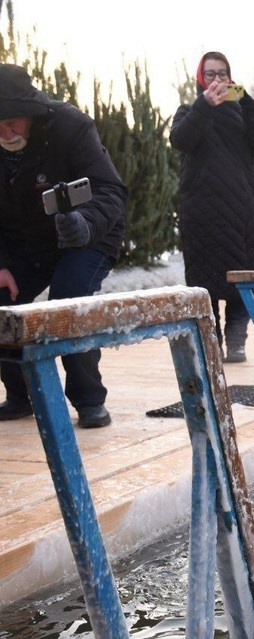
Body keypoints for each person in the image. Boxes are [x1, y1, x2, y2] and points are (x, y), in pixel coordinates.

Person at [0, 64, 126, 428]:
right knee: (3, 301)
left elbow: (111, 190)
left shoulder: (71, 126)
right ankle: (21, 392)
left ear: (32, 114)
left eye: (13, 122)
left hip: (88, 235)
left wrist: (84, 224)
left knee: (69, 299)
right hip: (25, 243)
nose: (6, 133)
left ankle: (88, 400)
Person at [170, 51, 254, 363]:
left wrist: (246, 100)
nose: (217, 80)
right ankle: (210, 343)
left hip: (241, 212)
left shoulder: (242, 111)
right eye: (211, 74)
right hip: (201, 214)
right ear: (200, 79)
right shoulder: (189, 111)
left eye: (222, 73)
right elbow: (180, 140)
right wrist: (204, 107)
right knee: (204, 283)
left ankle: (237, 342)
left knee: (241, 279)